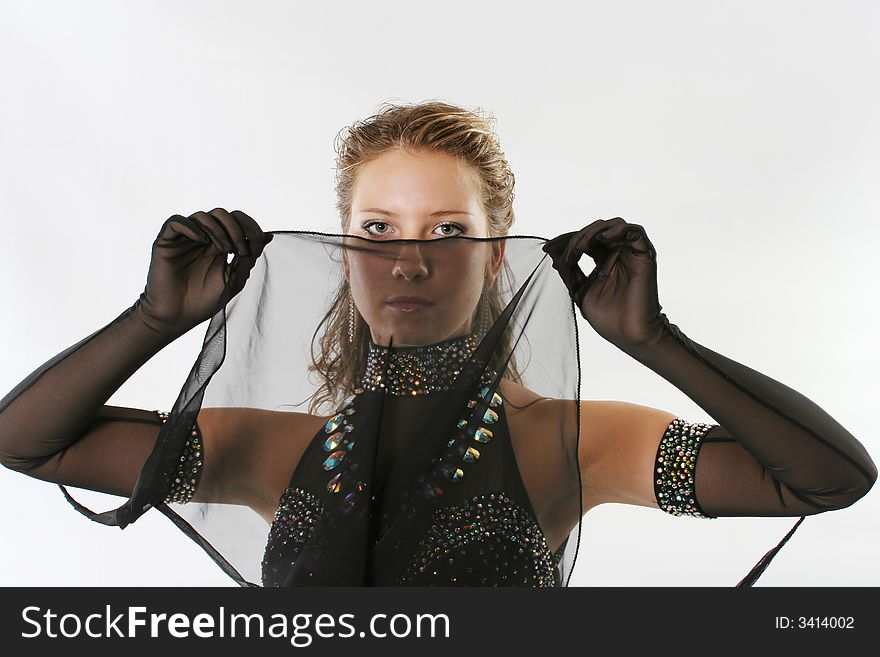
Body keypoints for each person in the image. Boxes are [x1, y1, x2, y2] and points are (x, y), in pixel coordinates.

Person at [0, 100, 875, 587]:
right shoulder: (276, 447)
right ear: (341, 256)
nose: (410, 260)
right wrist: (154, 320)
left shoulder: (570, 441)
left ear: (498, 259)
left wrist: (657, 339)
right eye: (376, 227)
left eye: (448, 228)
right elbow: (29, 442)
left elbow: (828, 479)